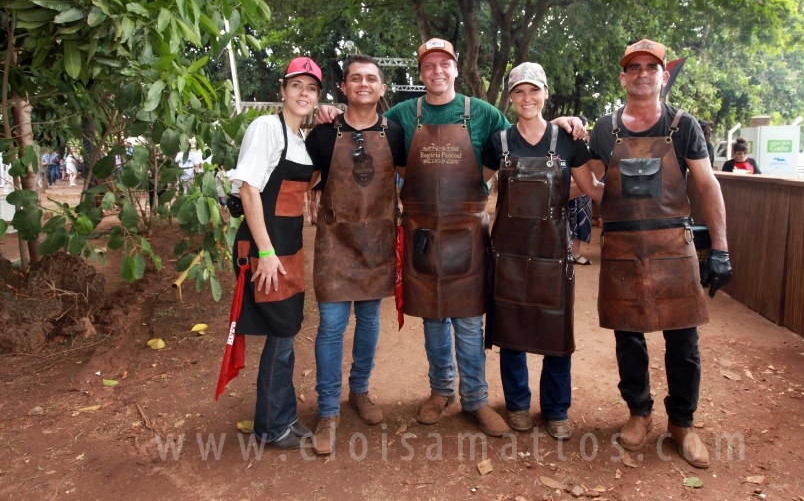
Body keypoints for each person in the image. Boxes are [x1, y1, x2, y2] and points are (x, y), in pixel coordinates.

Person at [316, 38, 584, 437]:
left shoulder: (484, 114)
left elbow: (525, 135)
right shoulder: (404, 115)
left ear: (456, 69)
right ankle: (441, 391)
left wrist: (564, 124)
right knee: (434, 320)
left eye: (445, 64)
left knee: (469, 322)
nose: (437, 71)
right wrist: (331, 111)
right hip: (423, 233)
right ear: (421, 72)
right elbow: (366, 126)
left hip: (469, 234)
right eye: (429, 65)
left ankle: (475, 398)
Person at [588, 39, 732, 468]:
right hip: (621, 248)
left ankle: (682, 423)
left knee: (683, 342)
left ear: (663, 76)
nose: (643, 73)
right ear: (624, 77)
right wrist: (568, 139)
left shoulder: (683, 125)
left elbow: (707, 184)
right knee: (628, 339)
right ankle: (638, 413)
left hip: (673, 248)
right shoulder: (604, 128)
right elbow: (595, 187)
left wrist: (720, 249)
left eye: (652, 67)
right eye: (635, 67)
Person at [481, 63, 604, 439]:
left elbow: (592, 188)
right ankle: (517, 405)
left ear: (546, 94)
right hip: (509, 256)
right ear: (511, 97)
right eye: (519, 92)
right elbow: (475, 187)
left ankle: (555, 410)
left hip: (553, 256)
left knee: (556, 335)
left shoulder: (567, 140)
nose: (527, 98)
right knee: (512, 333)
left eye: (534, 91)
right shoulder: (498, 142)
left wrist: (634, 186)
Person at [304, 55, 407, 455]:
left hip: (377, 241)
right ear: (343, 88)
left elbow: (414, 178)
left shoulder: (395, 132)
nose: (363, 84)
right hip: (334, 242)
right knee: (331, 326)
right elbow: (299, 179)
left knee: (368, 321)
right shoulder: (323, 135)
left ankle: (359, 391)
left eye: (371, 79)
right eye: (355, 79)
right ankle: (328, 409)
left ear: (382, 89)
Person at [228, 56, 321, 450]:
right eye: (296, 85)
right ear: (282, 90)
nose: (303, 93)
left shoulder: (298, 137)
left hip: (290, 248)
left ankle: (282, 416)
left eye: (311, 88)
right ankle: (270, 427)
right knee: (281, 333)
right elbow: (248, 189)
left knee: (288, 331)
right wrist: (265, 253)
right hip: (266, 249)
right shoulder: (267, 127)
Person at [567, 116, 593, 266]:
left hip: (583, 190)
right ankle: (571, 254)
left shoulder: (585, 145)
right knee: (569, 222)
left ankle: (575, 253)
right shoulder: (564, 143)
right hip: (567, 189)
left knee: (578, 222)